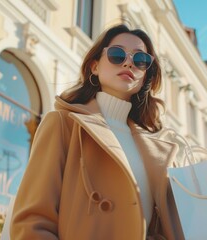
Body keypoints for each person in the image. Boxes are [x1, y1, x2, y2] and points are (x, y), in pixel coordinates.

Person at [10, 24, 182, 240]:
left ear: (145, 75)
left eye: (141, 60)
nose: (129, 62)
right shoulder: (63, 124)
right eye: (117, 54)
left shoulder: (156, 151)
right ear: (94, 66)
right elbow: (31, 223)